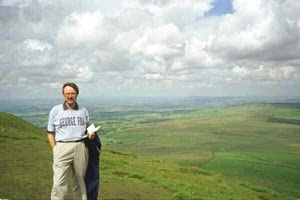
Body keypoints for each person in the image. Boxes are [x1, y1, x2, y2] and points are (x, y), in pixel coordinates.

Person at [47, 82, 95, 200]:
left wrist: (91, 135)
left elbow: (88, 129)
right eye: (67, 93)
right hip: (62, 147)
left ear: (77, 94)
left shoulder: (83, 110)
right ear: (63, 94)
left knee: (79, 181)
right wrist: (55, 149)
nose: (70, 96)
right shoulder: (55, 110)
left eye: (73, 93)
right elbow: (50, 132)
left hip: (80, 146)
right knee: (58, 182)